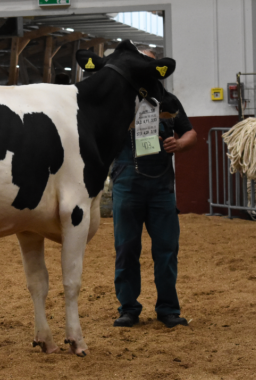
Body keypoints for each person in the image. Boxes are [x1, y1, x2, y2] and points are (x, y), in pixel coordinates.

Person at [111, 48, 197, 328]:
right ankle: (128, 308)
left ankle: (168, 309)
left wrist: (181, 144)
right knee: (126, 249)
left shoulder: (168, 100)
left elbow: (190, 131)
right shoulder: (119, 101)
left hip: (162, 187)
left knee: (167, 249)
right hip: (127, 184)